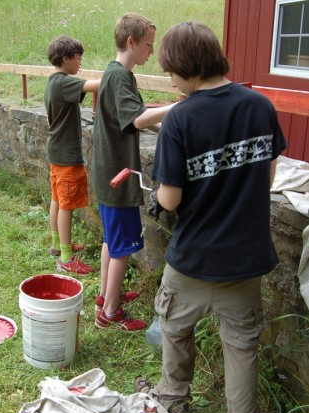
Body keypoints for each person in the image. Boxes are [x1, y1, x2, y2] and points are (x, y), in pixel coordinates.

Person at [134, 22, 287, 413]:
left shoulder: (181, 120)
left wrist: (156, 190)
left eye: (170, 72)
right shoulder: (260, 106)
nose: (170, 82)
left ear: (188, 67)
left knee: (174, 330)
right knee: (241, 348)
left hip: (193, 261)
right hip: (244, 261)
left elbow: (169, 199)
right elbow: (267, 178)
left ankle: (173, 400)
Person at [92, 13, 175, 331]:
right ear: (131, 42)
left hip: (107, 174)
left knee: (110, 242)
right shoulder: (121, 77)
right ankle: (110, 313)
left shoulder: (113, 73)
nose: (152, 52)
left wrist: (166, 123)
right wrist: (180, 108)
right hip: (119, 177)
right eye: (148, 45)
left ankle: (104, 296)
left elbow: (134, 117)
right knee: (123, 248)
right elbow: (137, 118)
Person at [45, 35, 100, 275]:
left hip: (56, 151)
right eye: (78, 58)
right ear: (66, 59)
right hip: (66, 155)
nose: (80, 63)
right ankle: (66, 257)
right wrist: (119, 73)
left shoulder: (53, 82)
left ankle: (58, 245)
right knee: (66, 205)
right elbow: (92, 85)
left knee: (57, 199)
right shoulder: (63, 82)